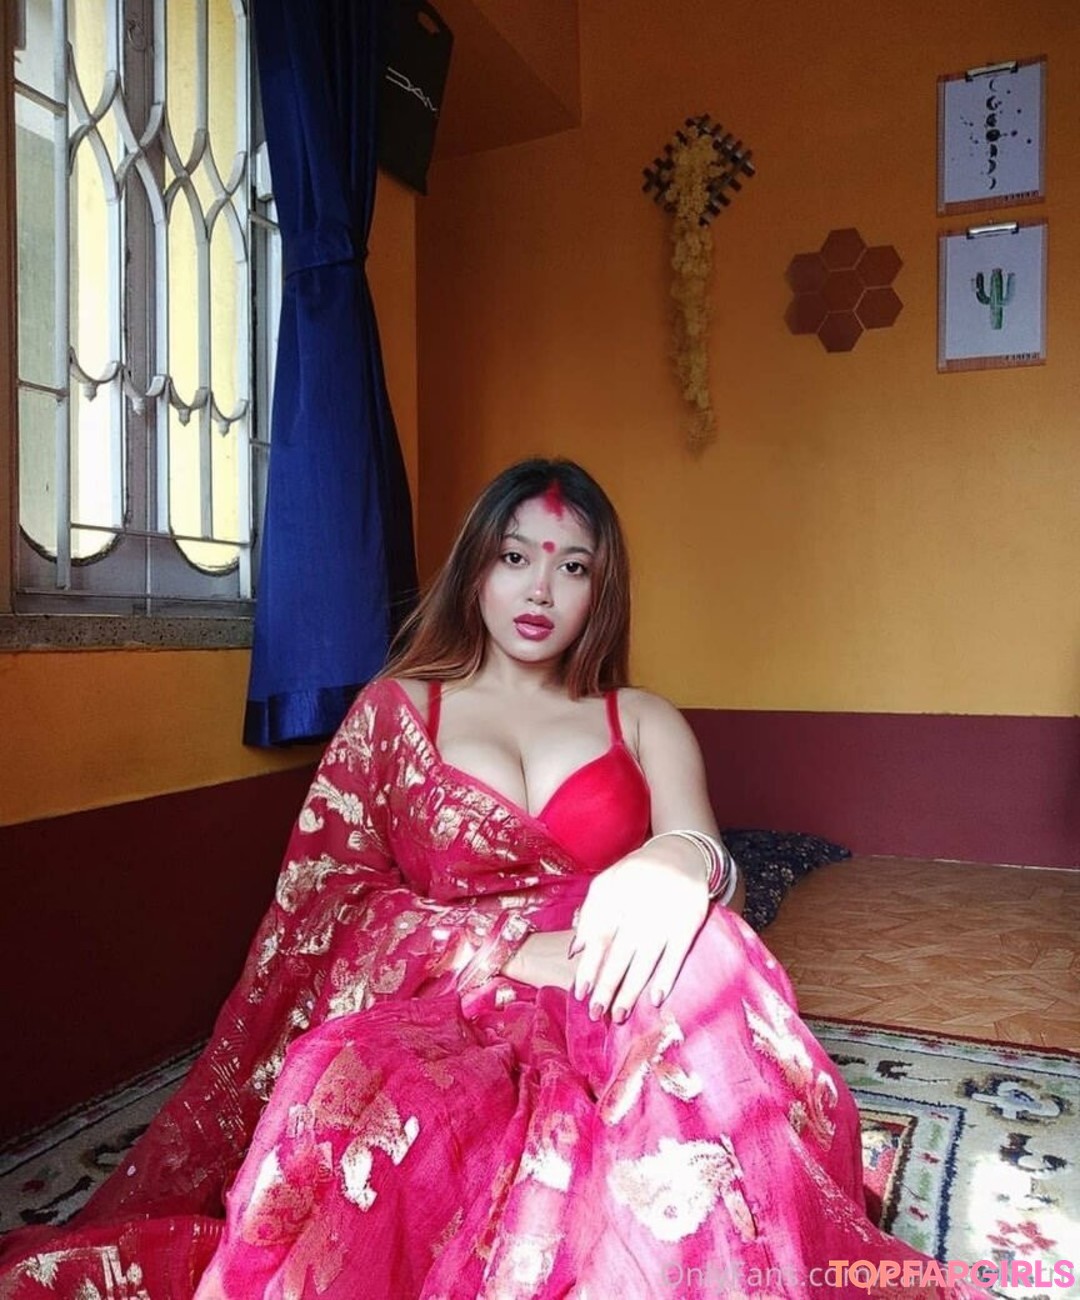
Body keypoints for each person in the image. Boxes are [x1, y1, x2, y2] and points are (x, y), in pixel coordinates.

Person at [0, 459, 979, 1298]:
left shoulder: (641, 718)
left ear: (602, 591)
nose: (540, 587)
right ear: (475, 569)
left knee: (706, 962)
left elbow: (714, 866)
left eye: (573, 565)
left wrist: (678, 860)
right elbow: (326, 903)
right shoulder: (396, 714)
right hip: (452, 995)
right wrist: (502, 947)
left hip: (612, 979)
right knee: (365, 1107)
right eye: (516, 556)